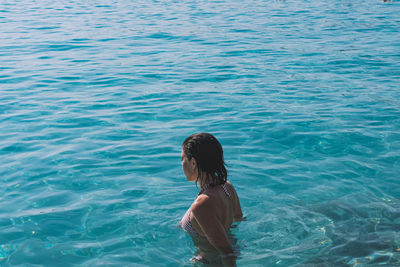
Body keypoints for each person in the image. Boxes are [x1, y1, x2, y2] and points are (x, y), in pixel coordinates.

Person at [180, 133, 243, 264]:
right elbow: (238, 218)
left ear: (193, 163)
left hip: (208, 262)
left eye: (182, 159)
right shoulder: (227, 187)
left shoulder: (202, 204)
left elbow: (227, 253)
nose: (181, 164)